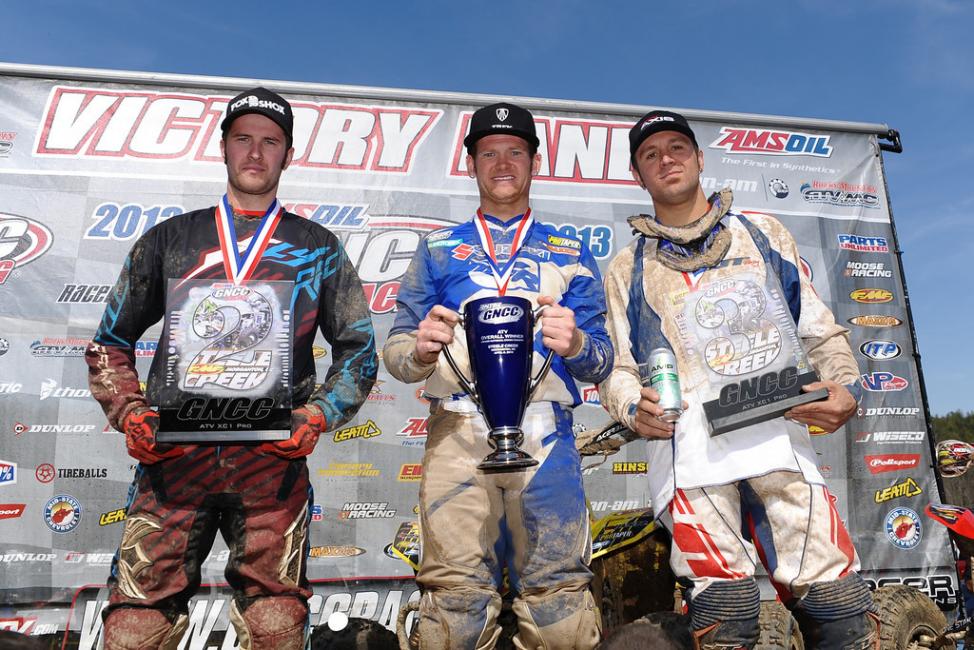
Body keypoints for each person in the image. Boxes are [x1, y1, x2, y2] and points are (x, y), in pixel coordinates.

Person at [85, 87, 377, 650]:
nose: (255, 152)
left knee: (276, 621)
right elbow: (110, 341)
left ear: (288, 154)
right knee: (136, 622)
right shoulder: (170, 240)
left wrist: (318, 414)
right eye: (243, 138)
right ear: (222, 147)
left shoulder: (318, 247)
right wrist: (130, 411)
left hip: (271, 463)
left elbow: (359, 349)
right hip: (174, 461)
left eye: (271, 141)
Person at [598, 110, 874, 650]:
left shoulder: (762, 233)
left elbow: (818, 331)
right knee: (724, 614)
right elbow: (617, 368)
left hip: (778, 441)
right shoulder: (626, 266)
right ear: (637, 174)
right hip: (689, 456)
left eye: (677, 148)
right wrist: (632, 406)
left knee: (837, 602)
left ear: (701, 159)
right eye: (650, 154)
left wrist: (847, 387)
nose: (666, 160)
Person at [382, 102, 612, 649]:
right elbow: (396, 351)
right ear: (471, 164)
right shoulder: (437, 249)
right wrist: (419, 351)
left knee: (559, 600)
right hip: (457, 432)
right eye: (489, 153)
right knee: (454, 603)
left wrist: (577, 344)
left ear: (535, 161)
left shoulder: (571, 251)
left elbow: (603, 359)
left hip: (546, 433)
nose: (502, 163)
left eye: (515, 152)